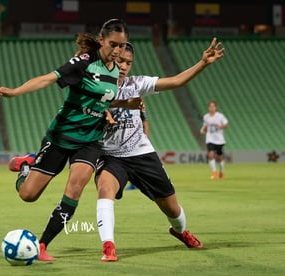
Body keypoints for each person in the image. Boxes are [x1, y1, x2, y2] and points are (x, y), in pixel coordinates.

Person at [0, 19, 139, 261]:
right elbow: (48, 78)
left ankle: (42, 245)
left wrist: (124, 103)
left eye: (122, 46)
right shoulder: (83, 63)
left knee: (75, 189)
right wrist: (15, 91)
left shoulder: (115, 70)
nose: (117, 51)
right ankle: (27, 165)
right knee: (28, 195)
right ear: (101, 39)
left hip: (90, 140)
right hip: (62, 135)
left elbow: (103, 98)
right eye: (113, 44)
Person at [96, 39, 225, 262]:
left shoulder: (137, 83)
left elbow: (175, 81)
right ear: (110, 58)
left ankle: (180, 231)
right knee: (105, 190)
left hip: (142, 153)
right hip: (111, 155)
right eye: (120, 60)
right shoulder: (94, 85)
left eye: (129, 62)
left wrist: (202, 63)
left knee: (172, 210)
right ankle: (108, 246)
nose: (124, 66)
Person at [200, 100, 228, 180]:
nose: (212, 108)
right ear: (208, 107)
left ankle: (221, 171)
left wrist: (221, 127)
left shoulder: (220, 116)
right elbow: (205, 125)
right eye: (210, 106)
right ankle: (214, 172)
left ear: (215, 107)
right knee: (211, 154)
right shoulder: (206, 117)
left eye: (213, 106)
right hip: (210, 139)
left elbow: (226, 124)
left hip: (219, 139)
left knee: (219, 156)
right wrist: (202, 130)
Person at [125, 103, 148, 190]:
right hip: (126, 139)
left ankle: (140, 183)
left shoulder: (138, 108)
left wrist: (145, 136)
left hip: (137, 138)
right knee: (129, 161)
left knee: (139, 162)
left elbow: (145, 123)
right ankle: (133, 183)